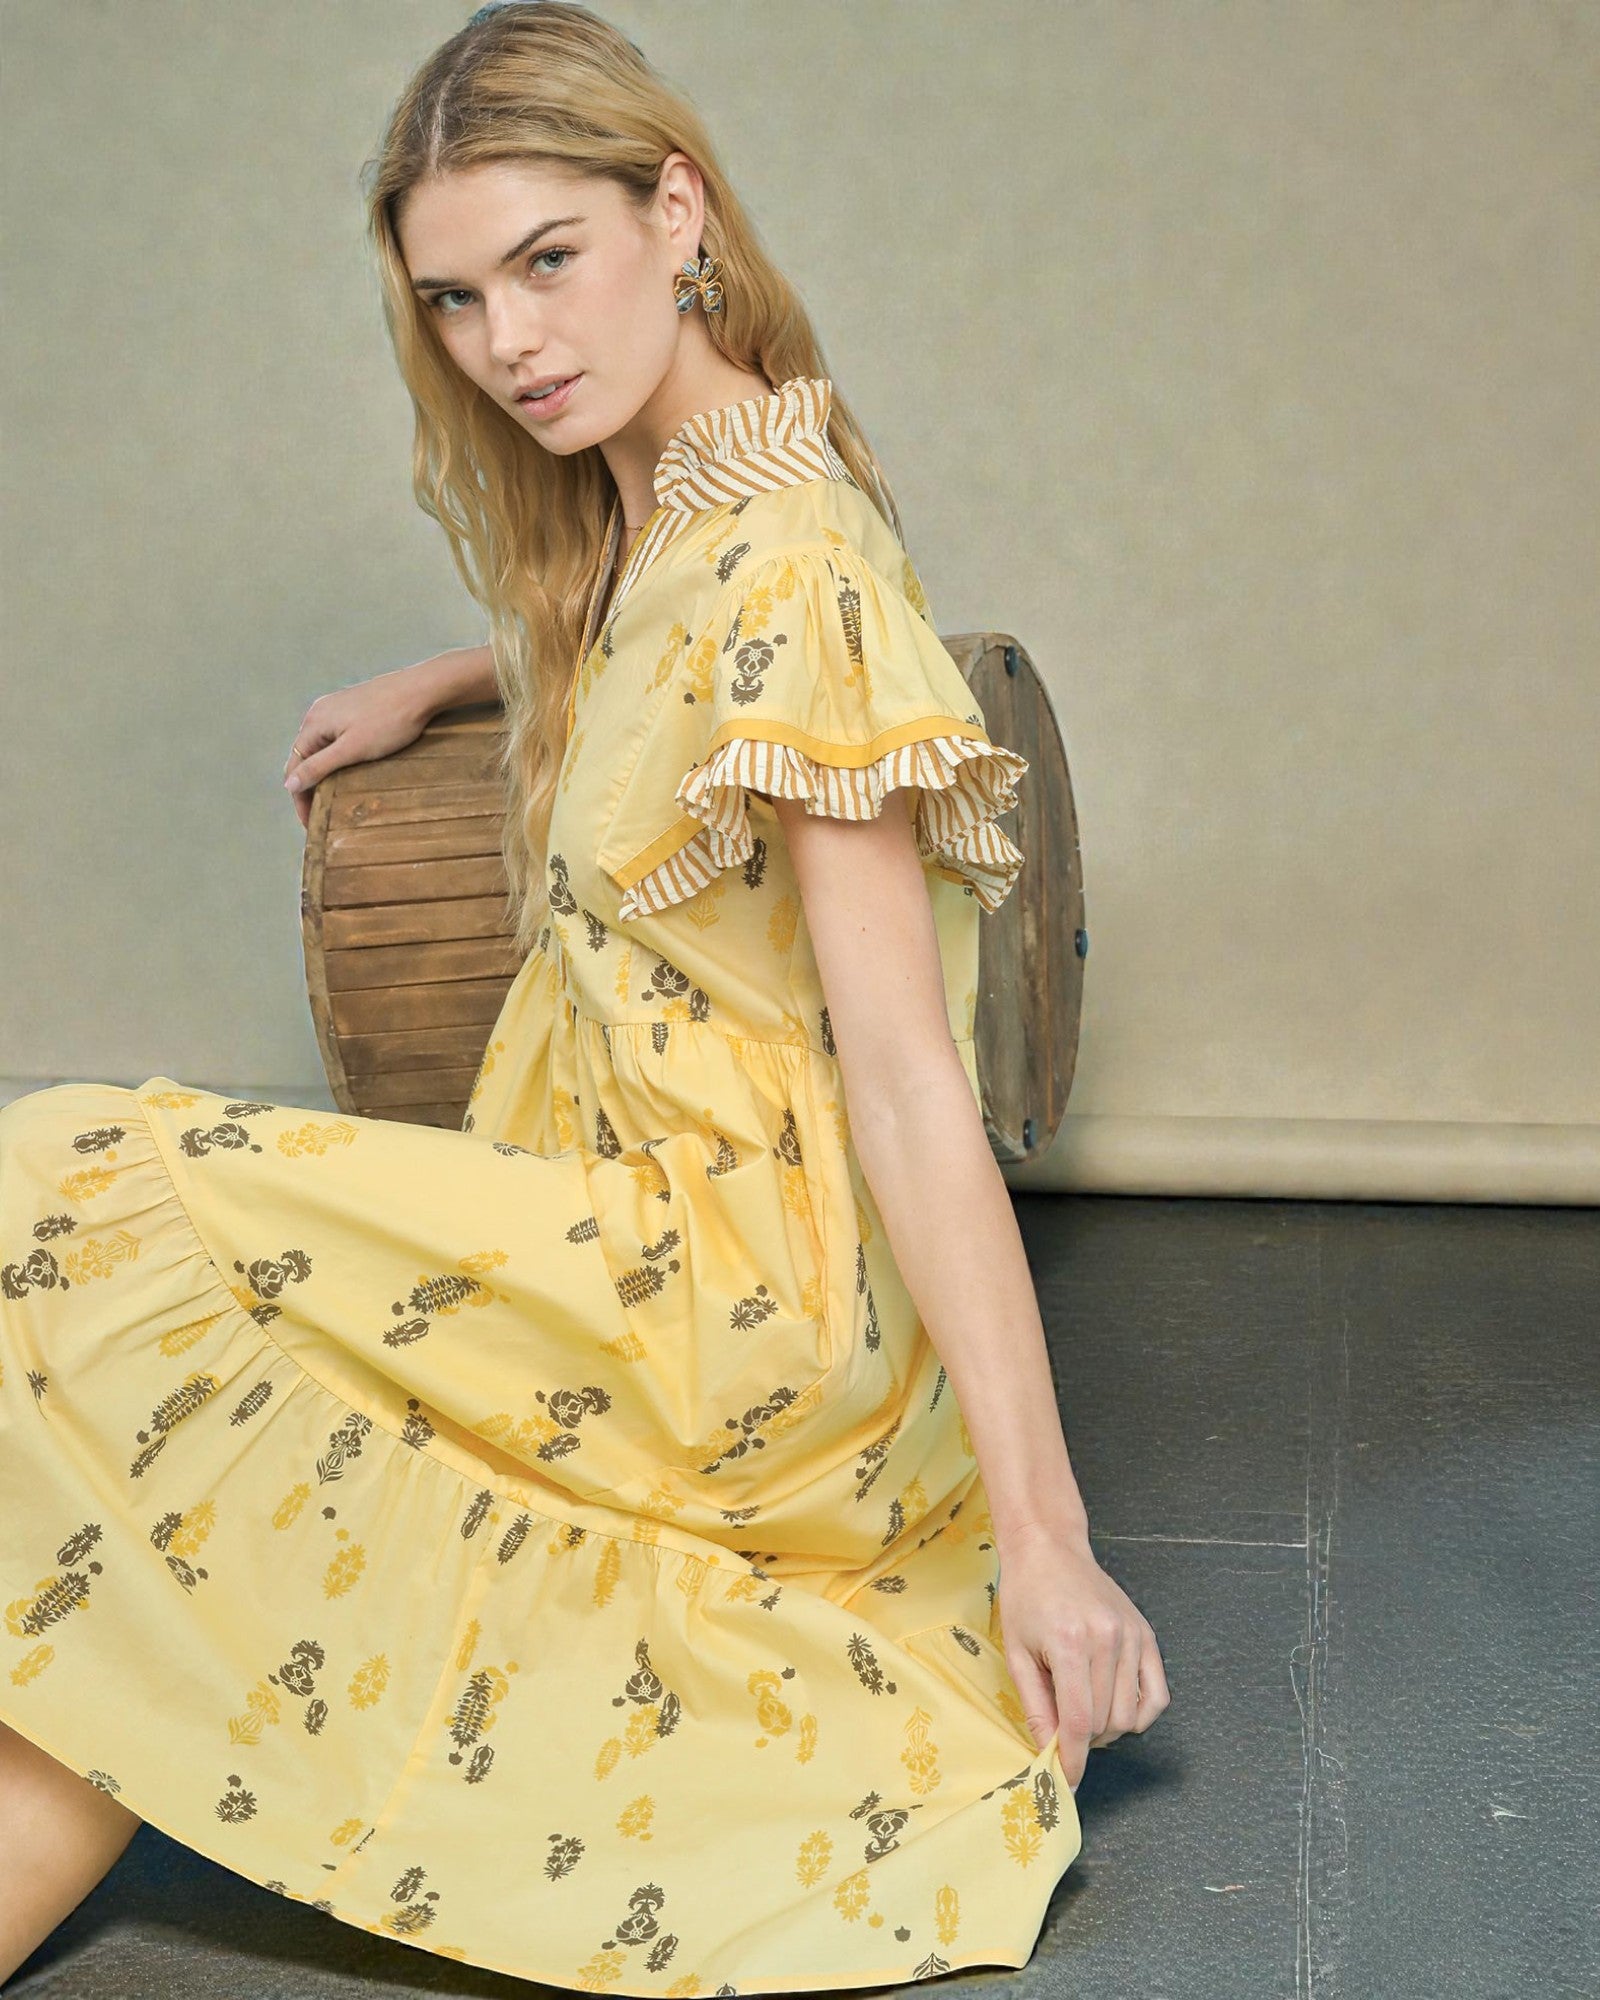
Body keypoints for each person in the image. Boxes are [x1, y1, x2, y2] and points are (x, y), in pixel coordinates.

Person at [0, 3, 1169, 1989]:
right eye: (453, 298)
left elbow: (901, 1066)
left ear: (676, 210)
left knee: (64, 1184)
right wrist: (453, 675)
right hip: (614, 1208)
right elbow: (652, 655)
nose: (506, 343)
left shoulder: (792, 562)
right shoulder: (666, 499)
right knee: (133, 1558)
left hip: (733, 1287)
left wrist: (1040, 1533)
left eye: (548, 261)